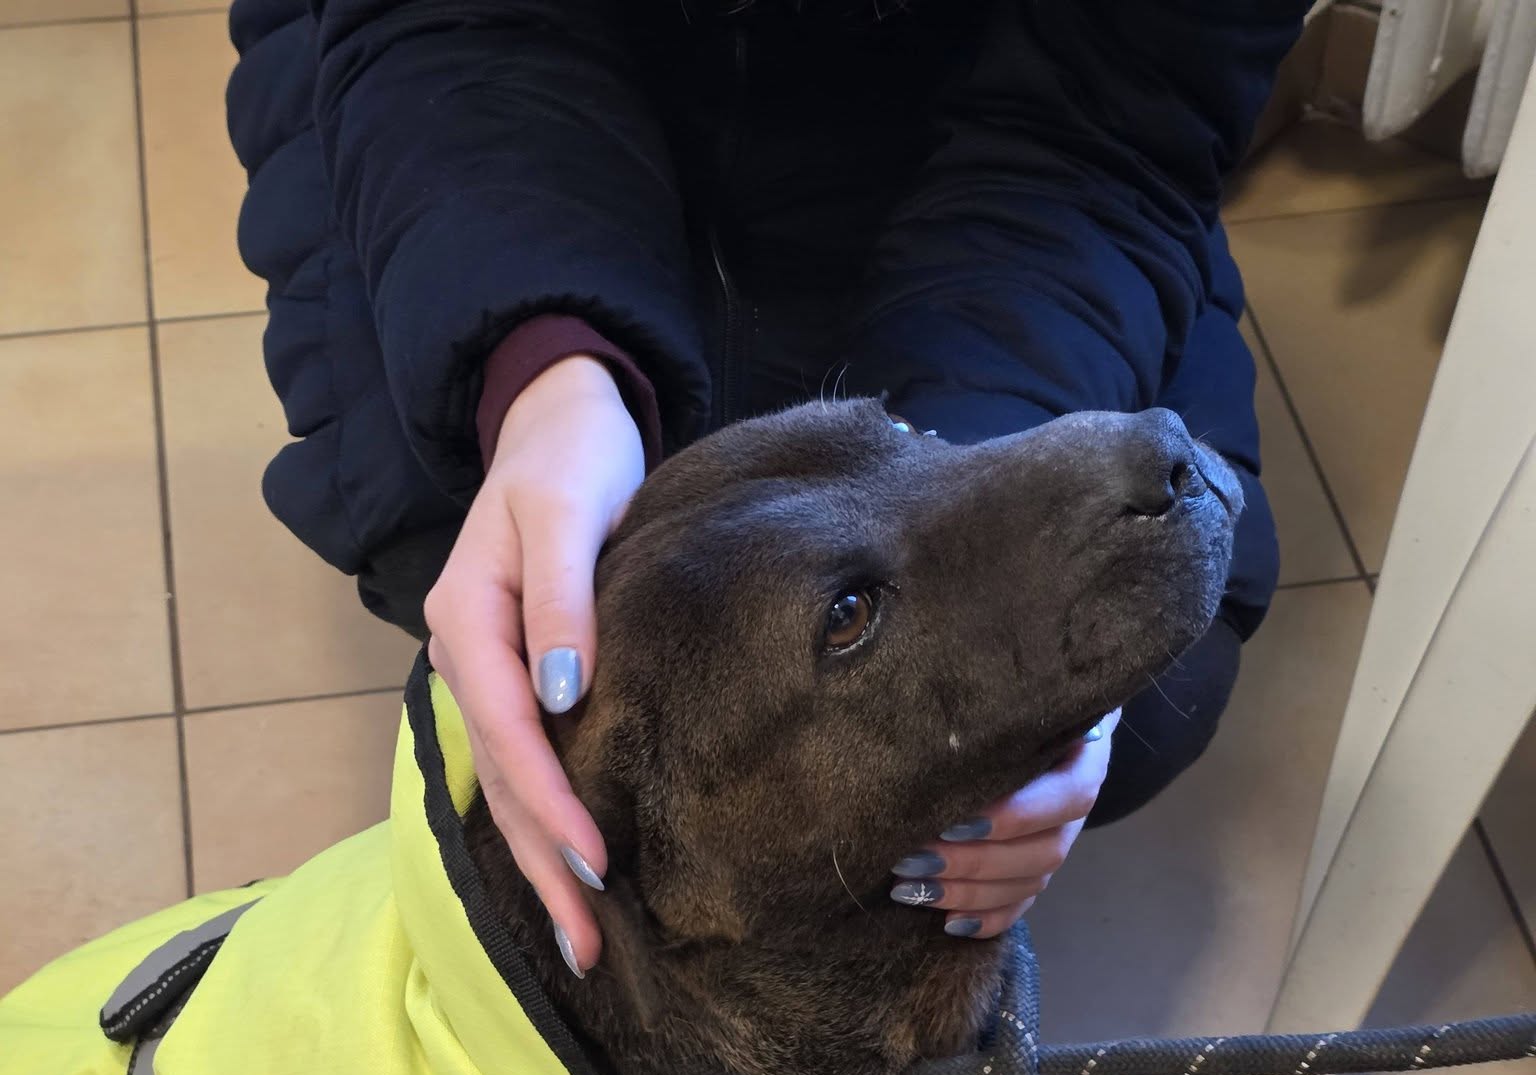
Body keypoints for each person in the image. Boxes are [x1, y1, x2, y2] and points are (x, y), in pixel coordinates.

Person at [227, 0, 1301, 975]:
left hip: (965, 153)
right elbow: (454, 28)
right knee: (490, 555)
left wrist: (998, 510)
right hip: (475, 100)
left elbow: (1110, 124)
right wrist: (543, 369)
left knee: (1149, 690)